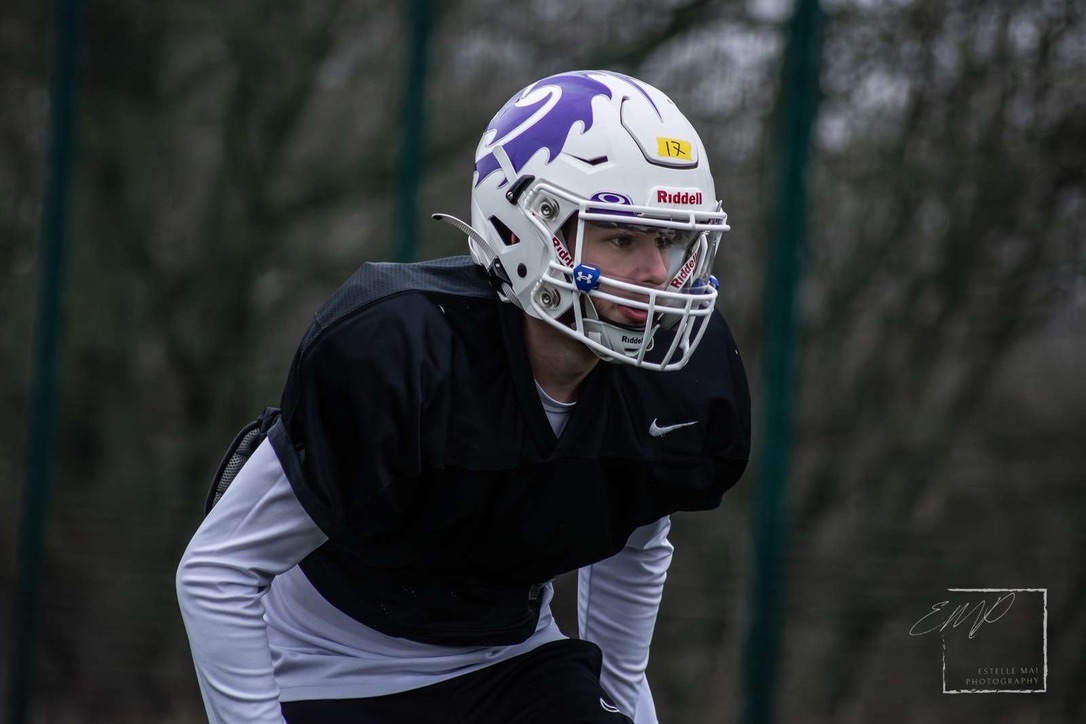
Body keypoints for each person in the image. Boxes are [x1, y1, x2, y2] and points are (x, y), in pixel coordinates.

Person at [177, 69, 750, 723]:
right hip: (327, 667)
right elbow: (218, 573)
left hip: (509, 662)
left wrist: (622, 709)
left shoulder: (672, 381)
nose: (656, 274)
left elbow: (634, 546)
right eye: (622, 238)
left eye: (670, 240)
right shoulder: (403, 352)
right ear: (526, 227)